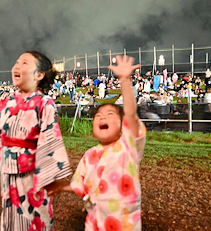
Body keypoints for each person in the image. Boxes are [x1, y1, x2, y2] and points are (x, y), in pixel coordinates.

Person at [48, 55, 147, 230]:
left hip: (125, 224)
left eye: (111, 114)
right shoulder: (90, 155)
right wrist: (61, 185)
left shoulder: (128, 147)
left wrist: (124, 80)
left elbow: (130, 115)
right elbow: (80, 183)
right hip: (95, 222)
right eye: (98, 116)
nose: (103, 117)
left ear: (122, 126)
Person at [0, 51, 72, 231]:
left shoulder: (45, 103)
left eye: (25, 63)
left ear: (39, 75)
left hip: (32, 171)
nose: (17, 66)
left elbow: (50, 138)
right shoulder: (4, 102)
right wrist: (6, 155)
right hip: (7, 168)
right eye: (17, 62)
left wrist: (50, 176)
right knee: (11, 210)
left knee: (35, 211)